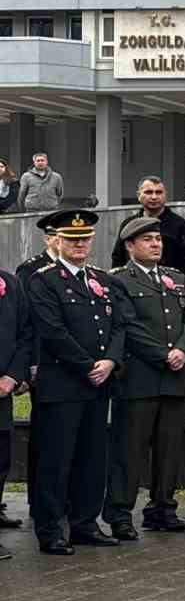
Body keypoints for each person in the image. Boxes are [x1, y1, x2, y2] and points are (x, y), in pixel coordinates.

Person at [25, 210, 125, 555]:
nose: (79, 244)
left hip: (98, 384)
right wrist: (87, 366)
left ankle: (85, 524)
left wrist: (110, 361)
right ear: (58, 241)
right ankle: (50, 529)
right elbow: (52, 331)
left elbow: (119, 325)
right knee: (56, 460)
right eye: (72, 239)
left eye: (84, 239)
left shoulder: (102, 279)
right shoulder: (44, 280)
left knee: (92, 459)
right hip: (62, 385)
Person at [106, 217, 185, 538]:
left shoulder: (175, 278)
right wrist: (164, 355)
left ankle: (162, 509)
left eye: (158, 239)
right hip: (139, 378)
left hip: (175, 379)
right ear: (129, 245)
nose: (156, 244)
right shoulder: (119, 280)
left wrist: (184, 350)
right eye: (147, 239)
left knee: (169, 449)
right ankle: (119, 513)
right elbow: (127, 325)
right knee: (129, 451)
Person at [0, 255, 34, 548]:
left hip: (2, 391)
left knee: (1, 460)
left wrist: (12, 376)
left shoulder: (10, 283)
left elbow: (26, 335)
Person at [111, 177, 185, 275]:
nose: (154, 197)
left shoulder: (179, 225)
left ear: (165, 195)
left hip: (169, 282)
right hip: (132, 281)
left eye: (159, 192)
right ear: (139, 195)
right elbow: (118, 259)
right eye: (148, 192)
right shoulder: (129, 224)